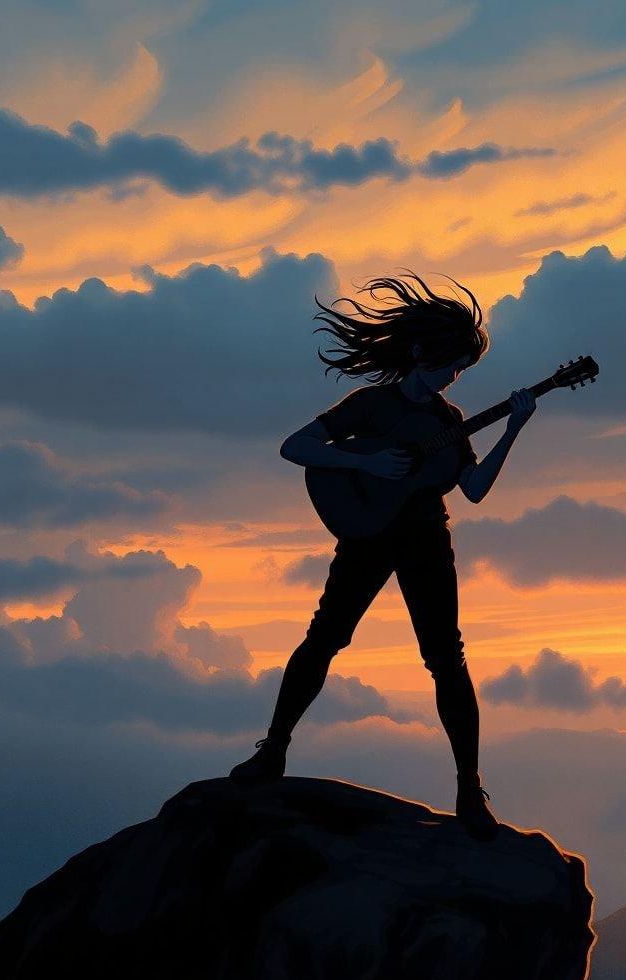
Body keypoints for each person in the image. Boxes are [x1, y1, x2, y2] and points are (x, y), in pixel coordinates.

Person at [229, 271, 536, 841]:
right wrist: (364, 464)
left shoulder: (448, 421)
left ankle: (470, 789)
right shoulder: (370, 406)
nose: (455, 377)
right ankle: (272, 752)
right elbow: (295, 446)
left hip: (425, 540)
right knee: (325, 639)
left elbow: (472, 488)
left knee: (447, 659)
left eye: (463, 369)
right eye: (450, 364)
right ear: (421, 353)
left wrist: (514, 428)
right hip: (368, 536)